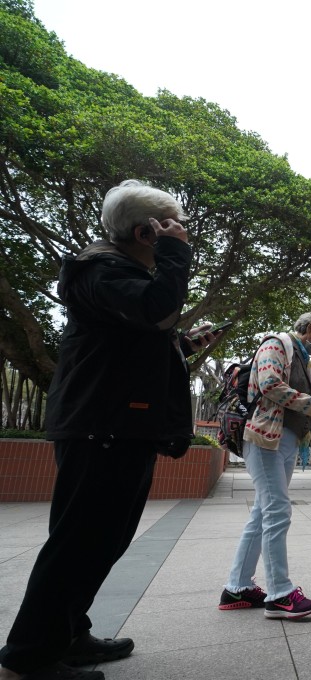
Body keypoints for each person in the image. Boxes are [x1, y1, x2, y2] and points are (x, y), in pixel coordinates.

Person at [0, 180, 221, 680]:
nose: (181, 236)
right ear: (146, 231)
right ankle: (28, 657)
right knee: (80, 542)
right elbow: (156, 311)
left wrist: (182, 346)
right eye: (170, 229)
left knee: (101, 540)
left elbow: (136, 343)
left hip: (116, 425)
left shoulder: (114, 276)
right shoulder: (102, 271)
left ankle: (68, 633)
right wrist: (175, 254)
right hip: (103, 427)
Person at [220, 306, 311, 618]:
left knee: (264, 512)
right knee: (277, 510)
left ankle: (237, 587)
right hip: (265, 437)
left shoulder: (302, 357)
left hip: (286, 439)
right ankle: (280, 594)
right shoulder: (277, 344)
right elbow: (270, 386)